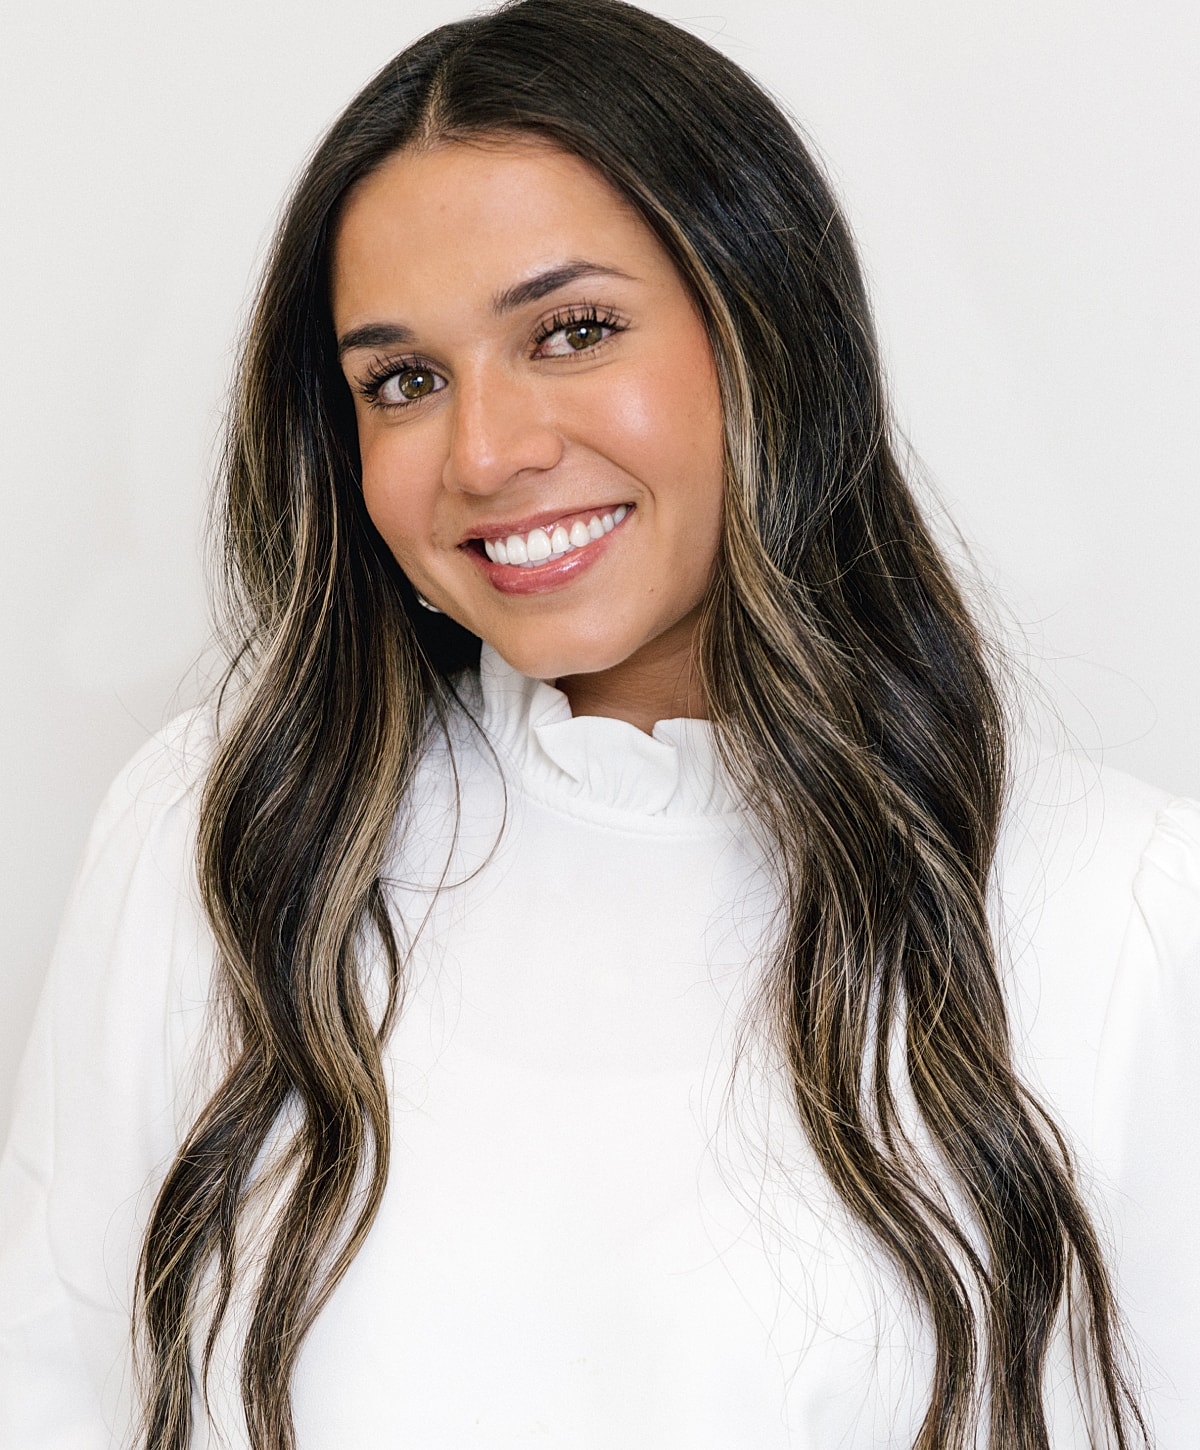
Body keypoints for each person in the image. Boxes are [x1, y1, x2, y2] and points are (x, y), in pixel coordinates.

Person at [1, 0, 1197, 1446]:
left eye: (571, 332)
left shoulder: (1117, 906)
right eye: (403, 380)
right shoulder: (223, 837)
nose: (487, 451)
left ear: (765, 327)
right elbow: (49, 1390)